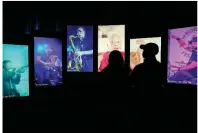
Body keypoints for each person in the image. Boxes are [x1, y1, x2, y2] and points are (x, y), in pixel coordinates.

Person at [129, 43, 163, 132]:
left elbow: (130, 82)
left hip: (140, 103)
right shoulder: (161, 67)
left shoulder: (139, 68)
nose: (143, 52)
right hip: (156, 103)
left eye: (145, 50)